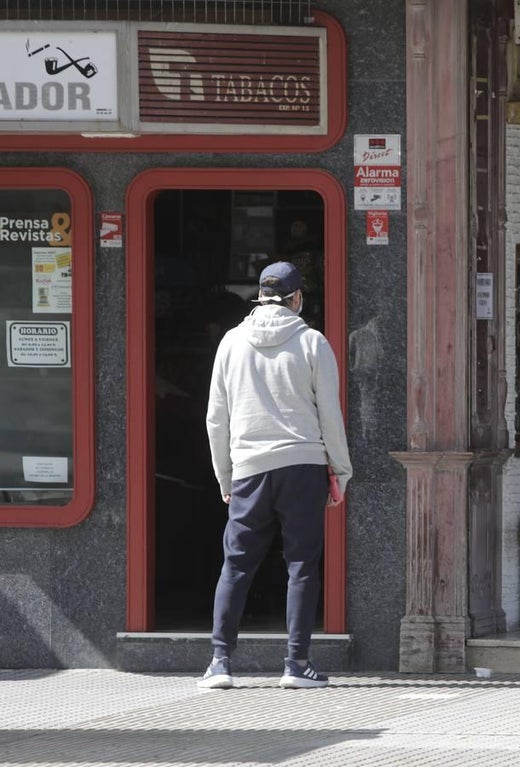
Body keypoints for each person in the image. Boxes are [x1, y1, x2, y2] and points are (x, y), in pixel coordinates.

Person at [199, 261, 352, 690]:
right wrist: (340, 471)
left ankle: (220, 662)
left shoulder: (230, 343)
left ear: (259, 296)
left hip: (249, 467)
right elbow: (330, 416)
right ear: (297, 297)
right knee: (301, 564)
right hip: (303, 465)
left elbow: (216, 418)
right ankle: (297, 664)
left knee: (236, 565)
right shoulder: (312, 342)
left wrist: (224, 477)